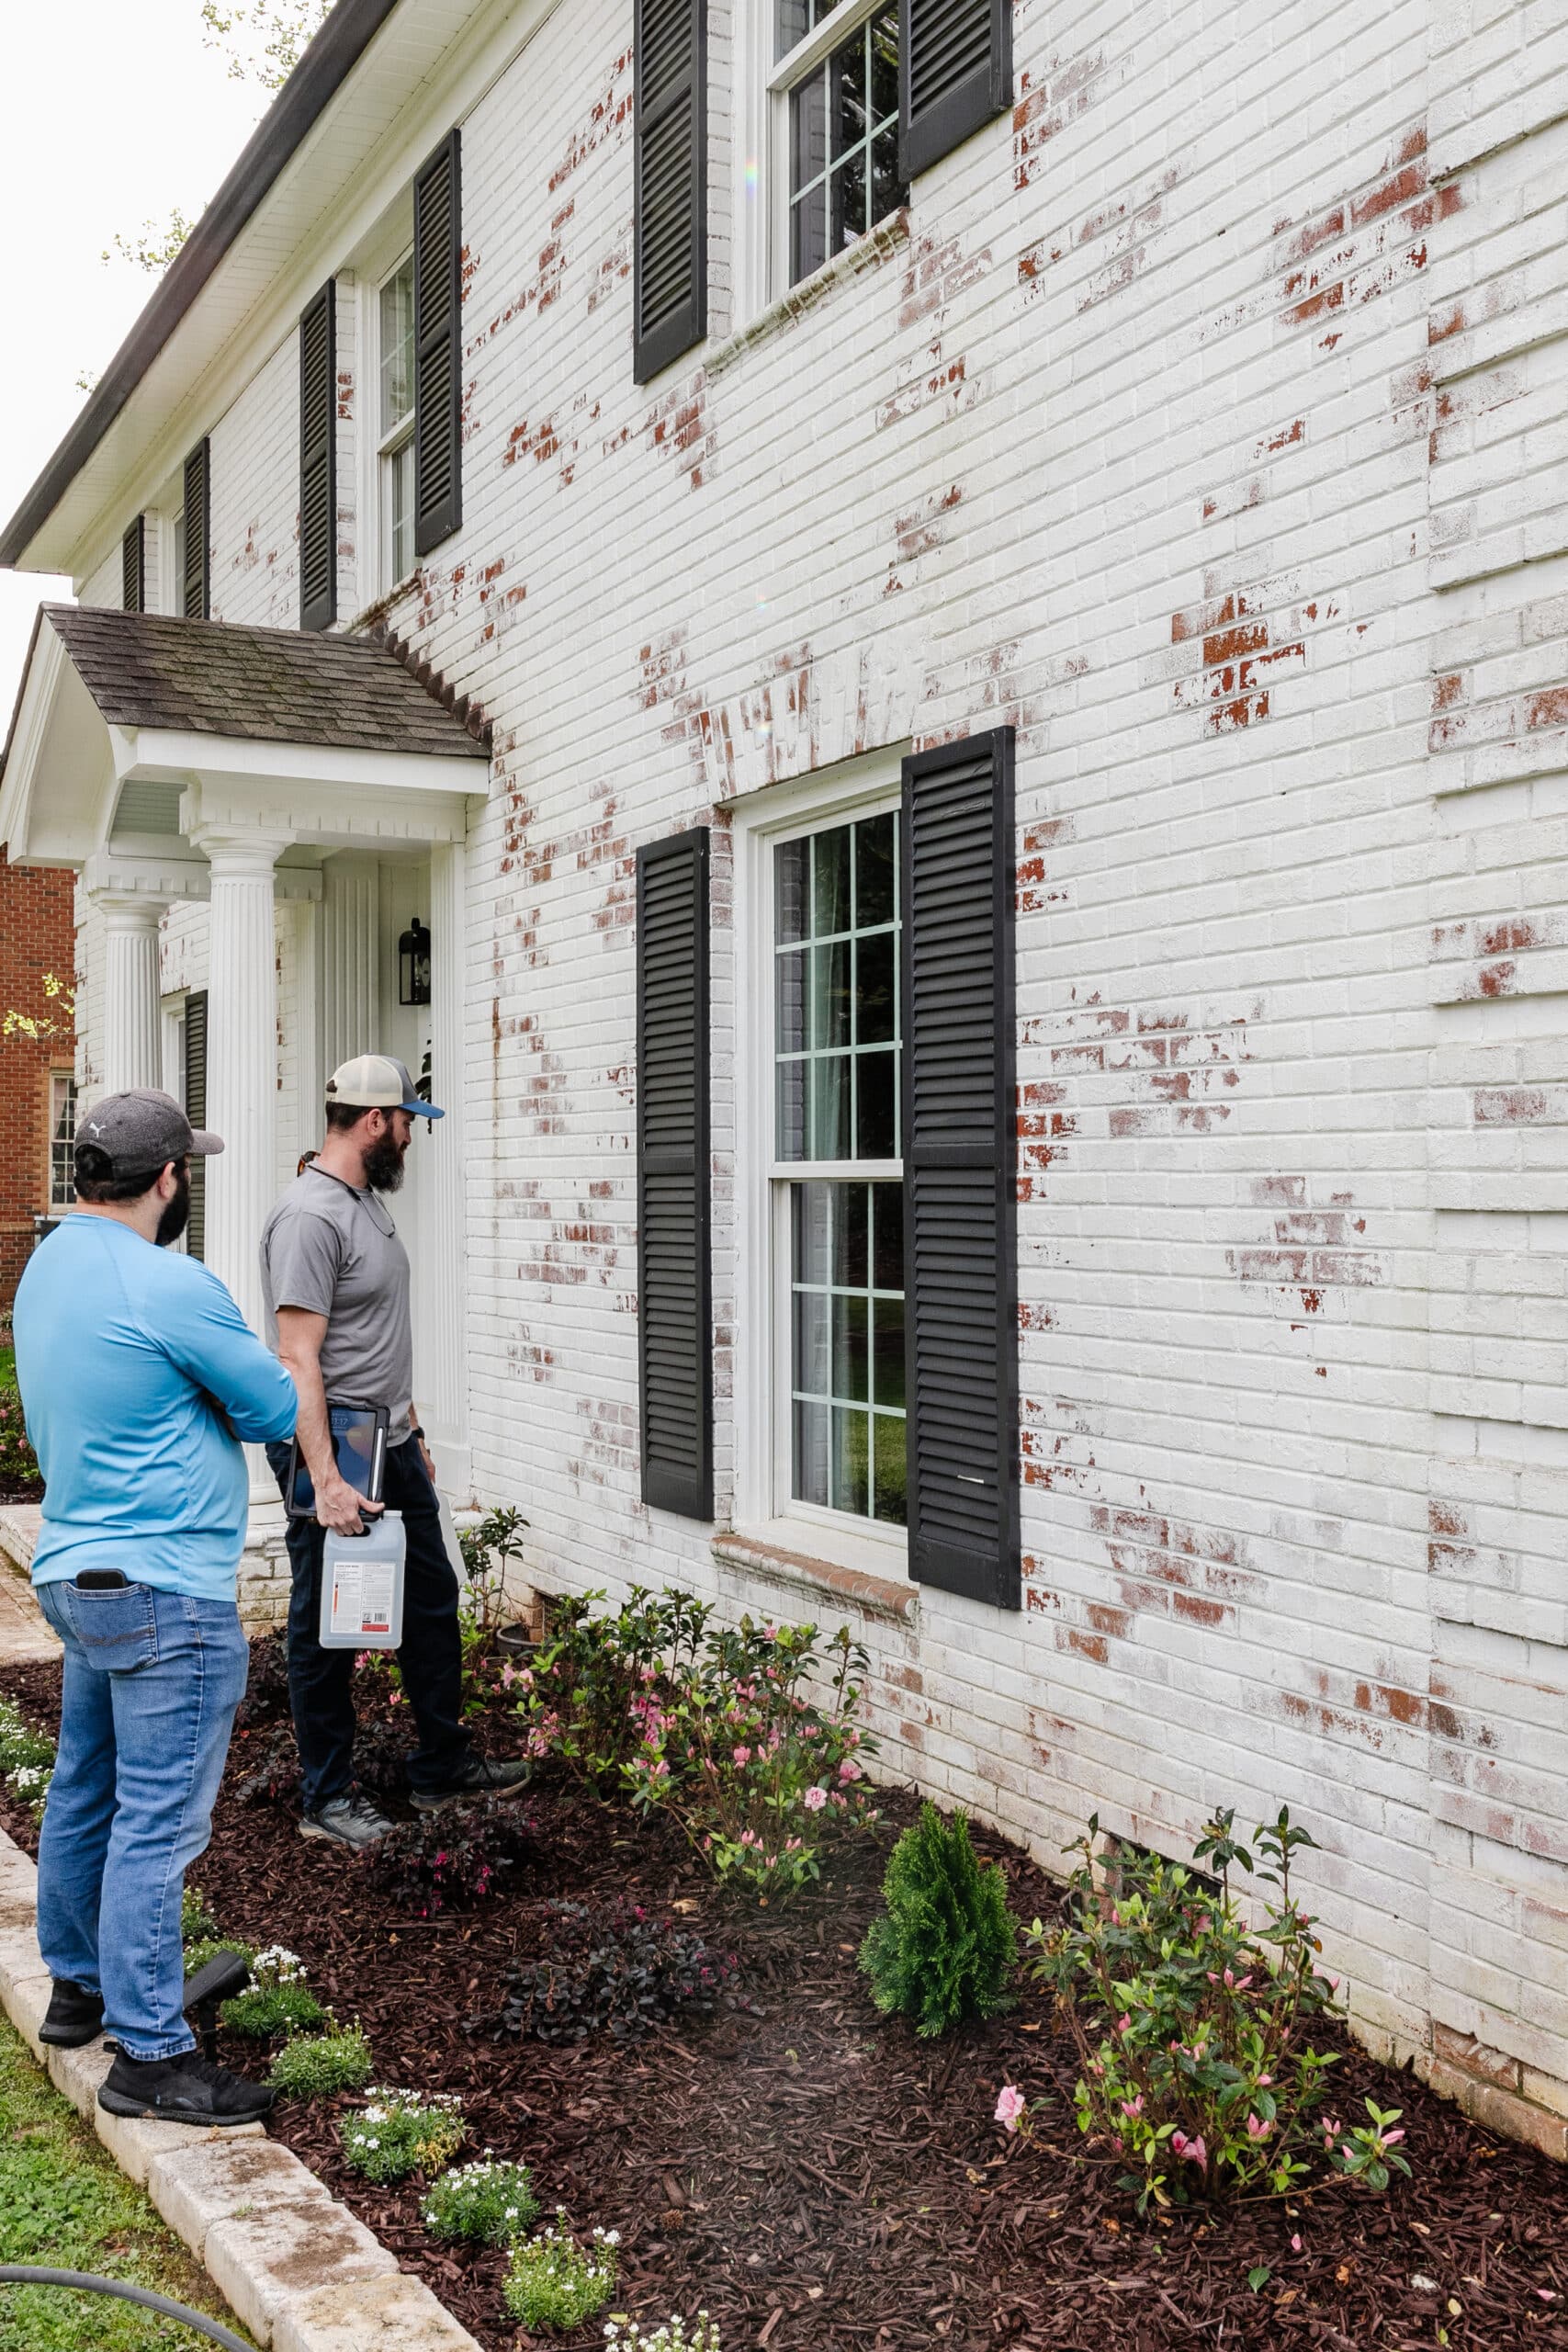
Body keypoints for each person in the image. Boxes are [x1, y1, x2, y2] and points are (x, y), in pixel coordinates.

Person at [13, 1090, 298, 2127]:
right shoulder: (171, 1282)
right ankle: (150, 2051)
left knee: (85, 1786)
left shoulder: (48, 1266)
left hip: (79, 1574)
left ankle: (78, 1989)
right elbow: (272, 1403)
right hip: (165, 1588)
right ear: (170, 1178)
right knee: (158, 1823)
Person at [261, 1053, 528, 1849]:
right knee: (327, 1627)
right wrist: (324, 1480)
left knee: (429, 1603)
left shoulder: (364, 1202)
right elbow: (297, 1357)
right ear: (375, 1120)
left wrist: (409, 1423)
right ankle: (327, 1799)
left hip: (389, 1439)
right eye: (409, 1121)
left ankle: (440, 1768)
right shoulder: (311, 1216)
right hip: (335, 1445)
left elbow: (373, 1329)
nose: (412, 1137)